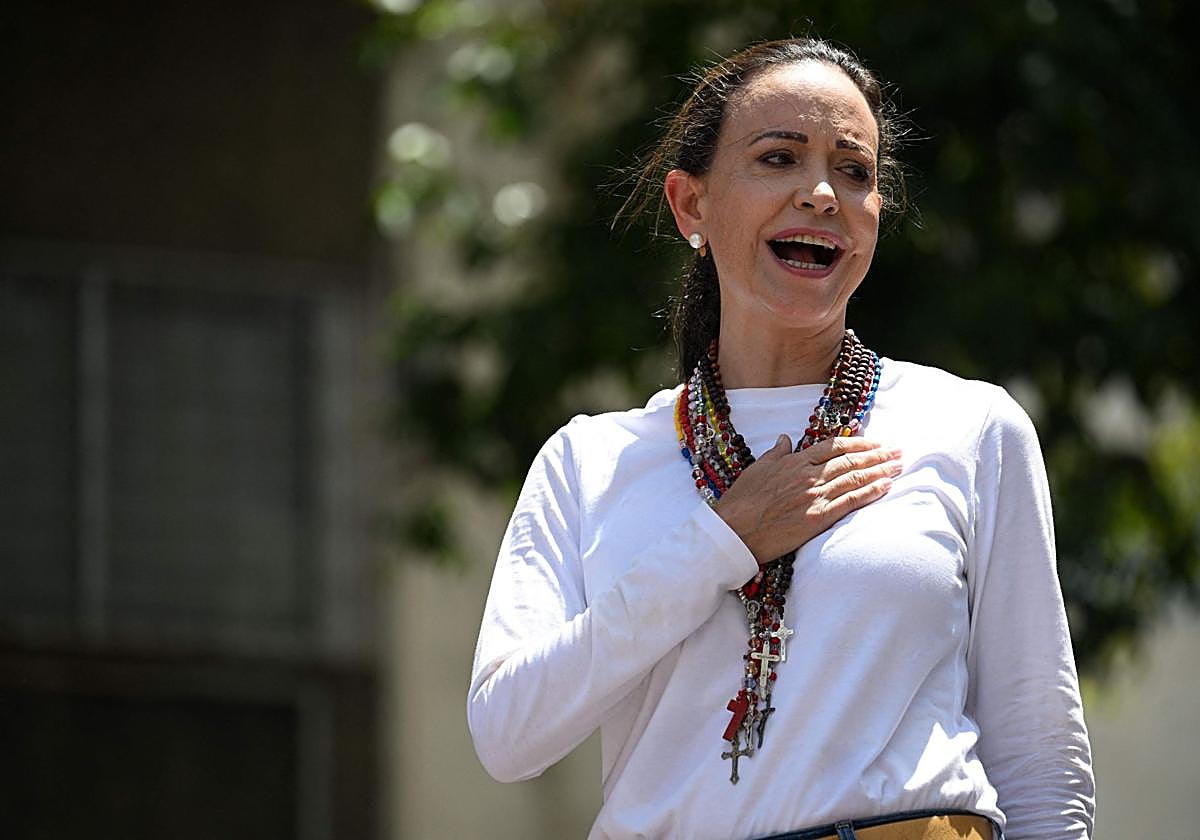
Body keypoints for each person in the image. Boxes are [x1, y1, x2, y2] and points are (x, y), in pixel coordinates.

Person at [467, 37, 1095, 840]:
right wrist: (719, 542)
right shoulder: (590, 462)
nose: (823, 193)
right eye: (779, 158)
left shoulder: (969, 427)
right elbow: (507, 733)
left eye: (855, 170)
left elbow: (1042, 759)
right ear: (691, 205)